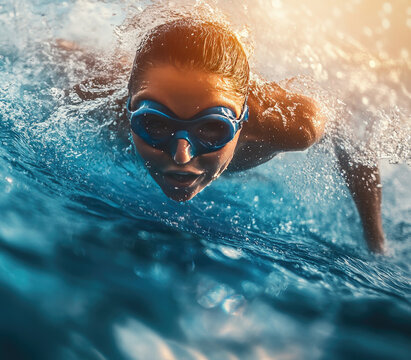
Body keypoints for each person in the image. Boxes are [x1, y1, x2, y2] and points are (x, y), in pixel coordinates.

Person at [59, 18, 386, 253]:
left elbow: (349, 134)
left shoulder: (291, 126)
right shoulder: (101, 104)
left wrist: (375, 239)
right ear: (129, 109)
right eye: (155, 124)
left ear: (243, 120)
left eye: (212, 128)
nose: (181, 156)